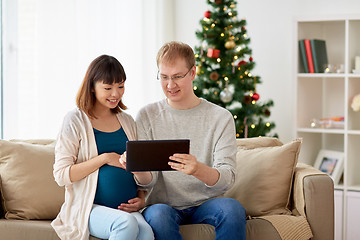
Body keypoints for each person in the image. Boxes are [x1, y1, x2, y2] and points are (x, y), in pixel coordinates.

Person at [134, 41, 246, 239]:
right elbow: (147, 182)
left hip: (206, 203)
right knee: (158, 215)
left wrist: (197, 169)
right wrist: (137, 167)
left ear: (193, 73)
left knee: (232, 209)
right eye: (164, 77)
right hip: (163, 206)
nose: (170, 85)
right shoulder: (146, 116)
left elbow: (228, 177)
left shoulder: (220, 118)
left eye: (177, 76)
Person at [51, 55, 154, 240]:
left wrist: (141, 197)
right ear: (92, 86)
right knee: (125, 224)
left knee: (147, 233)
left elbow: (143, 178)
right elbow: (61, 175)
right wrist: (105, 158)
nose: (115, 94)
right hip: (89, 208)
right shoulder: (75, 120)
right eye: (108, 88)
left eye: (120, 86)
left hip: (126, 210)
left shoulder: (128, 121)